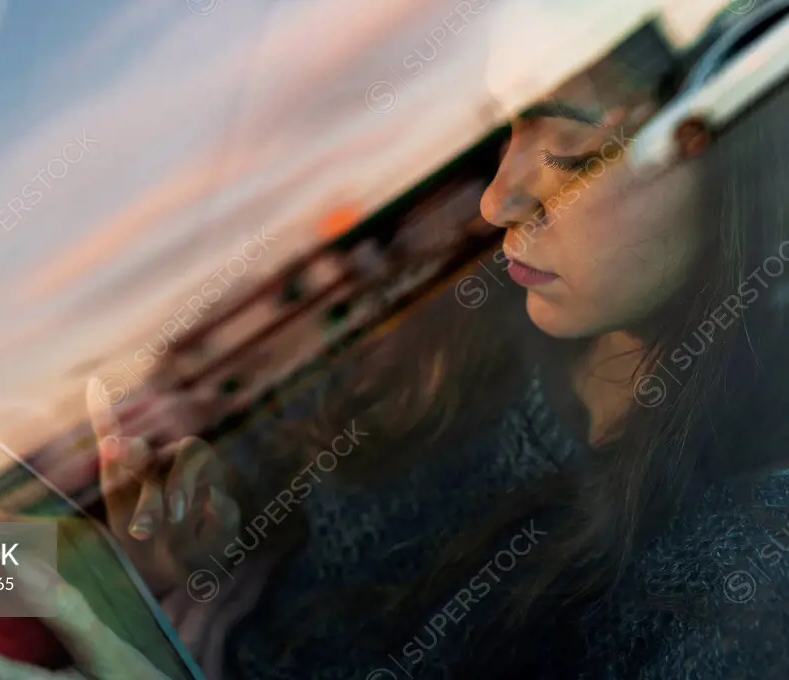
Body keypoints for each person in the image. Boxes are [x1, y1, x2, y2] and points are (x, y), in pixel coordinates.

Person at [86, 36, 789, 680]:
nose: (496, 201)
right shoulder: (456, 323)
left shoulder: (748, 559)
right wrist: (197, 535)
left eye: (575, 152)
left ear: (736, 162)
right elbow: (268, 465)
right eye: (506, 133)